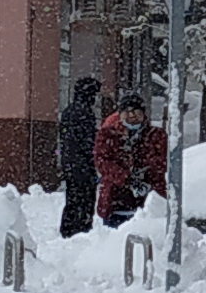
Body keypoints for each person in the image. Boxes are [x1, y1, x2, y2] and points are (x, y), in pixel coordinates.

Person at [94, 93, 166, 229]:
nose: (131, 115)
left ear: (143, 113)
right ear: (120, 114)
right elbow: (102, 161)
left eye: (136, 111)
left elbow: (161, 161)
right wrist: (126, 178)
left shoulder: (157, 135)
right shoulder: (107, 134)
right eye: (126, 111)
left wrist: (144, 176)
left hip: (148, 204)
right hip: (115, 202)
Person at [55, 74, 103, 236]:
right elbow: (87, 142)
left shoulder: (69, 111)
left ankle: (69, 228)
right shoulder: (84, 114)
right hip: (82, 166)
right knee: (84, 199)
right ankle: (79, 230)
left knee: (73, 199)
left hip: (70, 164)